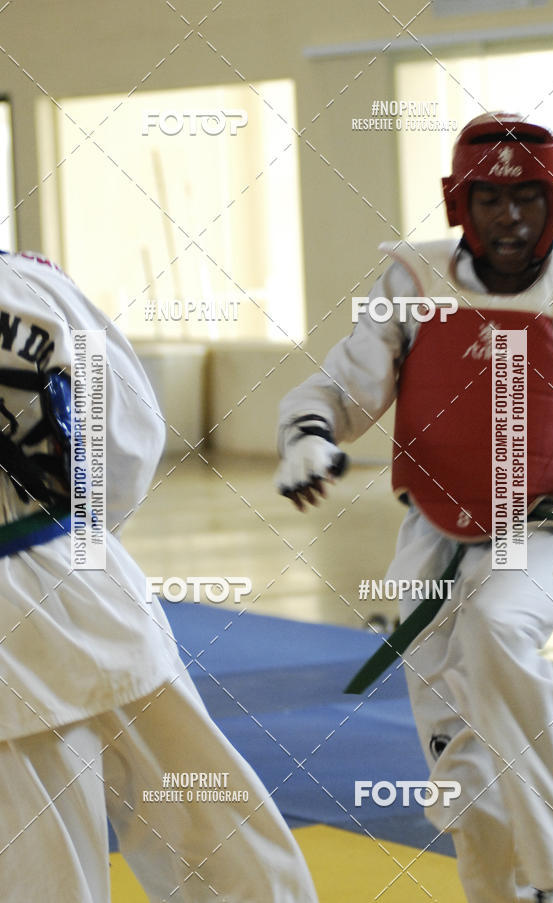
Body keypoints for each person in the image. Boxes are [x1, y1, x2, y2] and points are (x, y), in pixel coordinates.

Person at [276, 112, 553, 903]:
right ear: (461, 202)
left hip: (552, 529)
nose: (511, 215)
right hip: (435, 533)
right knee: (456, 744)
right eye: (491, 197)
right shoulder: (412, 284)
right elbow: (348, 386)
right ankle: (493, 892)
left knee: (498, 625)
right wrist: (308, 434)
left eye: (528, 196)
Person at [0, 249, 319, 903]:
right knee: (215, 822)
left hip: (32, 620)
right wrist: (87, 536)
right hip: (90, 581)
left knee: (45, 857)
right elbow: (127, 439)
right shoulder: (31, 283)